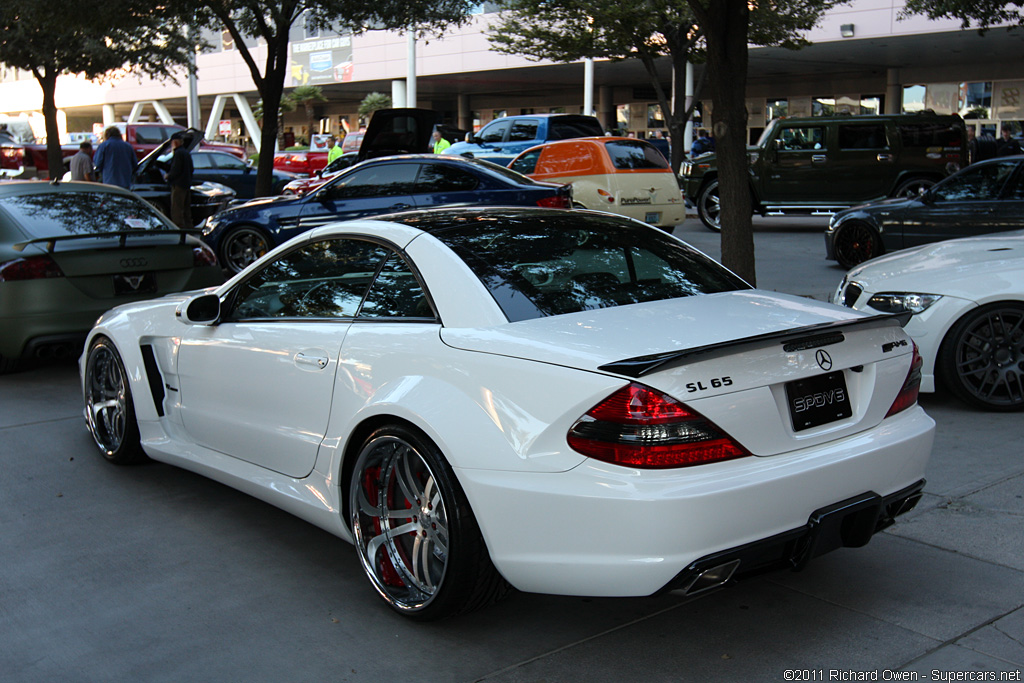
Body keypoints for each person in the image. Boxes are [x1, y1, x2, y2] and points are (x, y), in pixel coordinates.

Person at [163, 131, 193, 229]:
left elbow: (176, 170)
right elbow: (192, 168)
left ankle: (178, 229)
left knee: (177, 209)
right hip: (187, 184)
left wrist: (168, 176)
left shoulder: (178, 153)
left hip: (178, 185)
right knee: (186, 209)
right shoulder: (186, 153)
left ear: (175, 142)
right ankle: (189, 228)